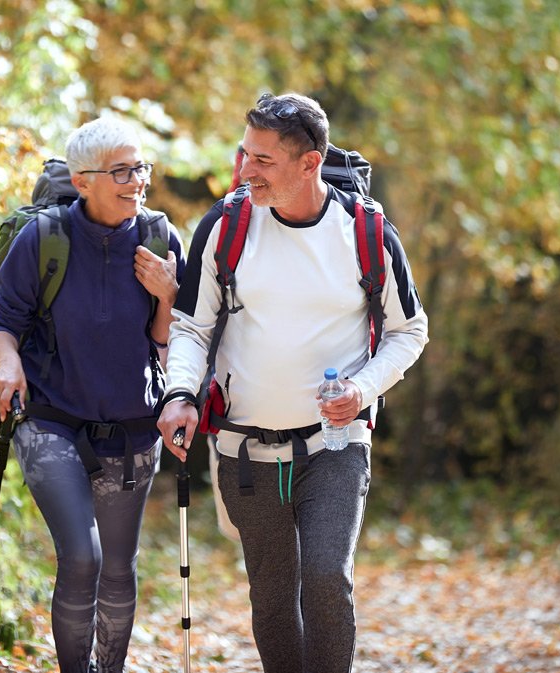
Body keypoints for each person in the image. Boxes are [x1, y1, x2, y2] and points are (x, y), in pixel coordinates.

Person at [157, 92, 429, 673]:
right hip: (245, 449)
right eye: (245, 154)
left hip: (335, 444)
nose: (245, 171)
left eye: (263, 160)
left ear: (310, 163)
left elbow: (410, 331)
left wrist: (363, 390)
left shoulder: (366, 232)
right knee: (274, 597)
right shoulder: (225, 227)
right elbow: (190, 326)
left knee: (328, 577)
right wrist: (180, 393)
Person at [0, 116, 184, 673]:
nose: (137, 181)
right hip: (51, 421)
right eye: (122, 171)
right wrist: (8, 365)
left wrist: (168, 297)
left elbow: (178, 343)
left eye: (141, 167)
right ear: (83, 181)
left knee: (119, 566)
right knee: (82, 557)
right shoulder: (43, 240)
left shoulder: (161, 239)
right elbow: (2, 320)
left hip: (132, 426)